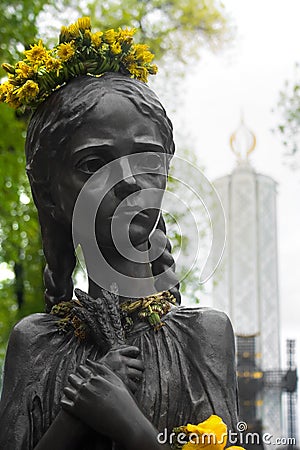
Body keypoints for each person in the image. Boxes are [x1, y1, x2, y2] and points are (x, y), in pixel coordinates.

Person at [0, 46, 238, 450]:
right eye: (93, 164)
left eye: (146, 159)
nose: (126, 182)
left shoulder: (204, 336)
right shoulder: (34, 344)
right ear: (49, 194)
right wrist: (74, 418)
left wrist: (131, 428)